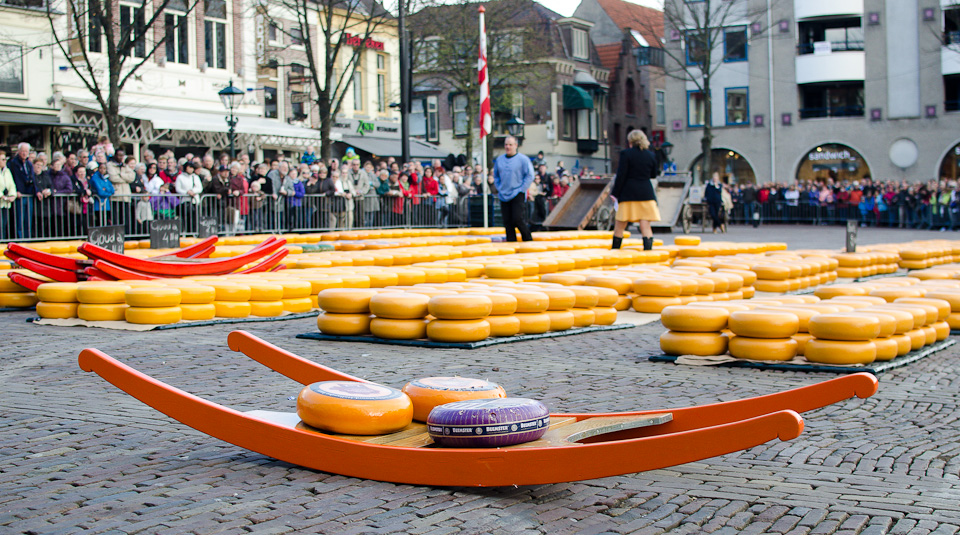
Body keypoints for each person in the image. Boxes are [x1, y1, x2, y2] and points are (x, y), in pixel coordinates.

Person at [610, 129, 660, 250]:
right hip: (646, 193)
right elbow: (654, 174)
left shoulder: (626, 154)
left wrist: (615, 193)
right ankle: (648, 253)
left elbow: (621, 175)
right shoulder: (651, 155)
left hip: (628, 193)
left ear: (630, 141)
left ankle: (615, 252)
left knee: (620, 225)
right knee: (645, 226)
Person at [492, 136, 535, 242]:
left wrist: (522, 189)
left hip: (517, 192)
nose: (508, 147)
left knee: (517, 218)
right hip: (504, 194)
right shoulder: (499, 160)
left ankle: (528, 240)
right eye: (506, 144)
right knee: (507, 221)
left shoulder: (523, 160)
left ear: (516, 145)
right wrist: (499, 187)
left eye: (510, 144)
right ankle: (511, 242)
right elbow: (496, 175)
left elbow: (530, 175)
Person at [0, 151, 16, 240]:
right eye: (2, 159)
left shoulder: (7, 171)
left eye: (5, 159)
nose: (4, 161)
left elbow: (12, 185)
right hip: (1, 201)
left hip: (6, 204)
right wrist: (1, 195)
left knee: (4, 224)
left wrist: (12, 195)